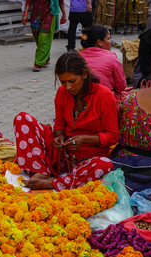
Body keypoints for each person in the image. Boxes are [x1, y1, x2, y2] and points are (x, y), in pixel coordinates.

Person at [13, 52, 119, 191]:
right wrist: (60, 137)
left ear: (84, 75)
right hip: (63, 156)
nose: (68, 87)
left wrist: (84, 139)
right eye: (63, 82)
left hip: (89, 159)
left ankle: (54, 182)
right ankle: (42, 171)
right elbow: (59, 125)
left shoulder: (104, 96)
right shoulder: (63, 93)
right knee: (22, 119)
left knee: (104, 165)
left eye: (72, 81)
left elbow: (113, 136)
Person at [79, 26, 127, 99]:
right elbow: (121, 86)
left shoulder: (77, 56)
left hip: (81, 98)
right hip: (105, 98)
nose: (111, 42)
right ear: (99, 42)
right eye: (108, 39)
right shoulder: (111, 57)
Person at [22, 0, 67, 72]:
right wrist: (25, 14)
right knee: (38, 38)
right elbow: (28, 1)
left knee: (44, 36)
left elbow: (60, 1)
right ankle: (46, 58)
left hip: (49, 14)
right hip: (36, 15)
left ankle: (38, 63)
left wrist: (64, 14)